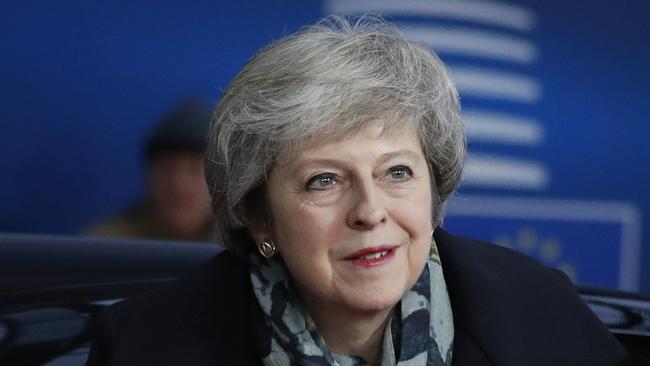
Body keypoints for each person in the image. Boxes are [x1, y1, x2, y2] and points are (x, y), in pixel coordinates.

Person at [86, 16, 634, 365]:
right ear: (258, 214)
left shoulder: (537, 314)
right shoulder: (147, 344)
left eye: (397, 172)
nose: (371, 212)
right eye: (324, 181)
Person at [87, 100, 214, 242]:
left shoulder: (239, 250)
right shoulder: (107, 244)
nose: (180, 185)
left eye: (195, 170)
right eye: (167, 169)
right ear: (149, 176)